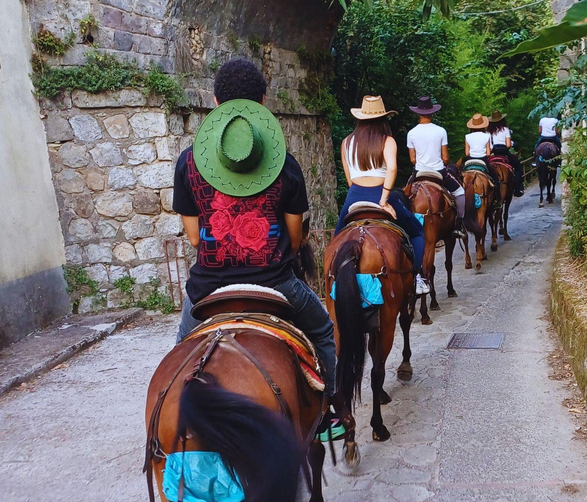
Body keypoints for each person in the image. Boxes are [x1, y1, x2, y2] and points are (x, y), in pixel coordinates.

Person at [172, 58, 342, 438]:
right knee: (324, 332)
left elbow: (197, 239)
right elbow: (296, 239)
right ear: (262, 102)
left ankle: (179, 427)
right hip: (276, 283)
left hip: (207, 288)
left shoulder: (188, 163)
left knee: (181, 353)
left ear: (215, 102)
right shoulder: (285, 164)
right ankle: (330, 411)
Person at [334, 95, 430, 295]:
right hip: (380, 193)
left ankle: (334, 280)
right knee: (417, 232)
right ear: (383, 118)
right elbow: (392, 169)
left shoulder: (346, 142)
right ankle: (418, 277)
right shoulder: (388, 141)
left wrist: (358, 191)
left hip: (354, 195)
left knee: (337, 240)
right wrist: (384, 200)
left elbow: (349, 178)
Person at [405, 96, 466, 237]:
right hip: (438, 171)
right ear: (432, 112)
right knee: (460, 193)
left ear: (418, 113)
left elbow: (412, 159)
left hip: (419, 172)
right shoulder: (441, 131)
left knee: (404, 196)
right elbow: (445, 158)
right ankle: (458, 225)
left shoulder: (411, 133)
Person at [464, 113, 501, 204]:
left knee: (461, 178)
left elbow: (466, 153)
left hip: (470, 161)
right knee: (495, 179)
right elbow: (488, 153)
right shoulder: (486, 136)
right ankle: (497, 199)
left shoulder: (467, 136)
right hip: (483, 160)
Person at [487, 110, 524, 197]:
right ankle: (518, 188)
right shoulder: (505, 129)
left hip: (493, 153)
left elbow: (489, 147)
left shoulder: (488, 132)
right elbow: (508, 145)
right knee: (518, 166)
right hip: (504, 153)